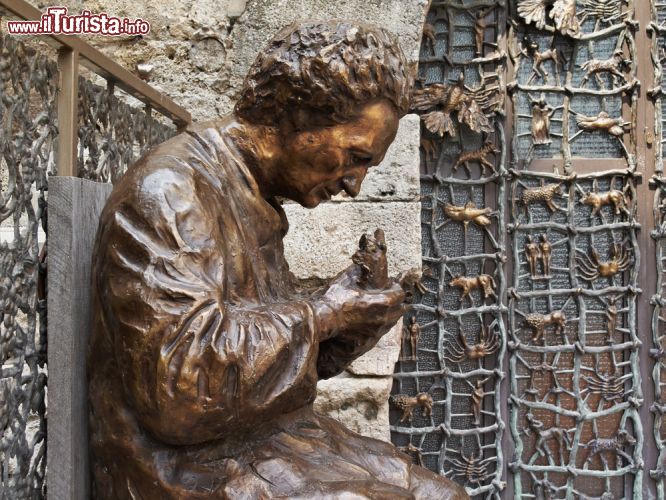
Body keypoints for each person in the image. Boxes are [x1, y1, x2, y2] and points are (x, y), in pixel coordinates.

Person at [88, 20, 468, 499]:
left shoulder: (252, 195)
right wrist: (325, 313)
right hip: (178, 465)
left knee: (440, 495)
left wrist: (354, 322)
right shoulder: (173, 192)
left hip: (258, 438)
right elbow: (182, 388)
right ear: (301, 116)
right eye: (355, 156)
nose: (354, 184)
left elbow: (270, 367)